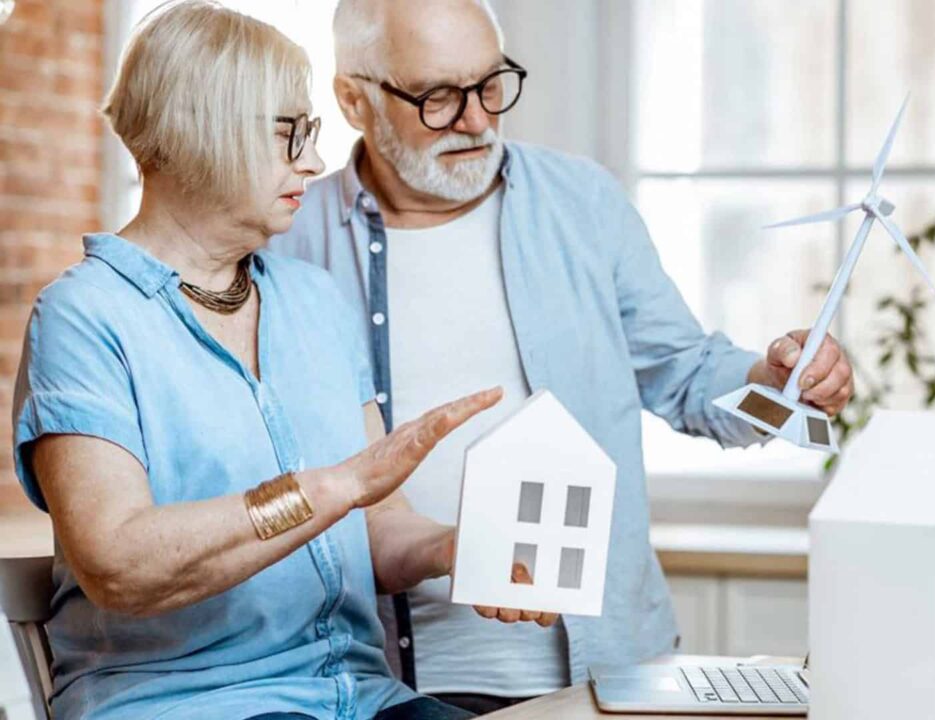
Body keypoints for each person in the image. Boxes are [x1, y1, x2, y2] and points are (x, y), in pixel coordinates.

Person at [272, 0, 855, 714]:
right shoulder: (285, 244)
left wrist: (778, 382)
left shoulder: (584, 203)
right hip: (386, 687)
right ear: (353, 100)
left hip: (606, 670)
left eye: (491, 85)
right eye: (439, 98)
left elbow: (689, 375)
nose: (479, 120)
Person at [10, 3, 549, 719]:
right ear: (203, 129)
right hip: (183, 703)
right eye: (290, 134)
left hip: (358, 696)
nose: (314, 162)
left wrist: (457, 547)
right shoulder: (85, 316)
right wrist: (335, 486)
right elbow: (119, 565)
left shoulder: (313, 301)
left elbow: (375, 525)